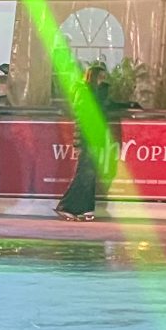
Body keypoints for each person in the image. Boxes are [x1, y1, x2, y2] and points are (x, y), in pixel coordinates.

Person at [55, 63, 116, 222]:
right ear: (93, 76)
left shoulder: (94, 92)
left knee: (90, 173)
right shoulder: (83, 92)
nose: (104, 80)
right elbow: (87, 113)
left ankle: (85, 208)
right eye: (101, 77)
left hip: (94, 137)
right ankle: (66, 206)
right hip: (87, 137)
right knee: (85, 173)